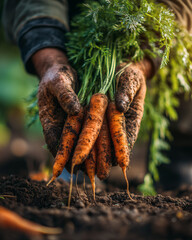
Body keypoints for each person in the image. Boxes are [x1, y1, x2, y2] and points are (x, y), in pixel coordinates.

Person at [2, 0, 192, 186]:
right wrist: (50, 60)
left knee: (184, 47)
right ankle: (79, 163)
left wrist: (142, 62)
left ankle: (180, 152)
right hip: (79, 23)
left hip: (143, 33)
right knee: (80, 56)